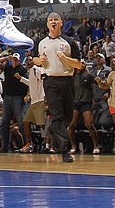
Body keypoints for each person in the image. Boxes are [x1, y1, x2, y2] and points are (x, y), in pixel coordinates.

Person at [32, 12, 84, 162]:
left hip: (67, 81)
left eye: (56, 20)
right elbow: (34, 59)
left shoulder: (70, 42)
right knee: (57, 115)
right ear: (47, 24)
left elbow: (79, 65)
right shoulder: (41, 42)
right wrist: (38, 60)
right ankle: (64, 150)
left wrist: (65, 58)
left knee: (67, 117)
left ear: (61, 23)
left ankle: (54, 130)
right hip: (50, 81)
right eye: (50, 20)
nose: (53, 22)